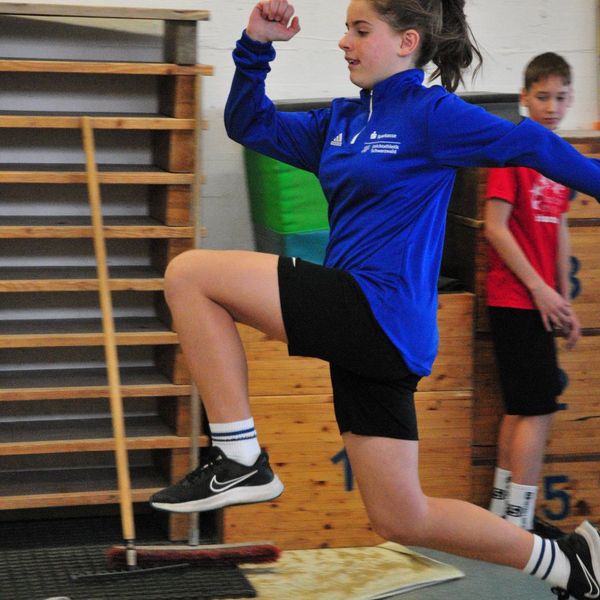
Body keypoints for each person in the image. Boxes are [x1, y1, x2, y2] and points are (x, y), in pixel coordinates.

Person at [150, 1, 600, 598]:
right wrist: (256, 46)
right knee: (400, 517)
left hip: (380, 311)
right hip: (370, 329)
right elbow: (249, 123)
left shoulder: (432, 114)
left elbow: (533, 145)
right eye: (346, 30)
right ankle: (568, 564)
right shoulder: (338, 122)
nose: (345, 42)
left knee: (189, 274)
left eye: (361, 31)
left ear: (407, 42)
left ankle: (239, 457)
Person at [485, 52, 580, 538]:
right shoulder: (513, 150)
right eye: (542, 97)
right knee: (536, 410)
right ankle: (518, 524)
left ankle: (503, 514)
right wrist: (540, 290)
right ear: (524, 97)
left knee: (522, 408)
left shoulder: (557, 155)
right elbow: (495, 227)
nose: (551, 107)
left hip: (541, 302)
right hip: (516, 299)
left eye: (560, 98)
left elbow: (558, 228)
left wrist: (564, 300)